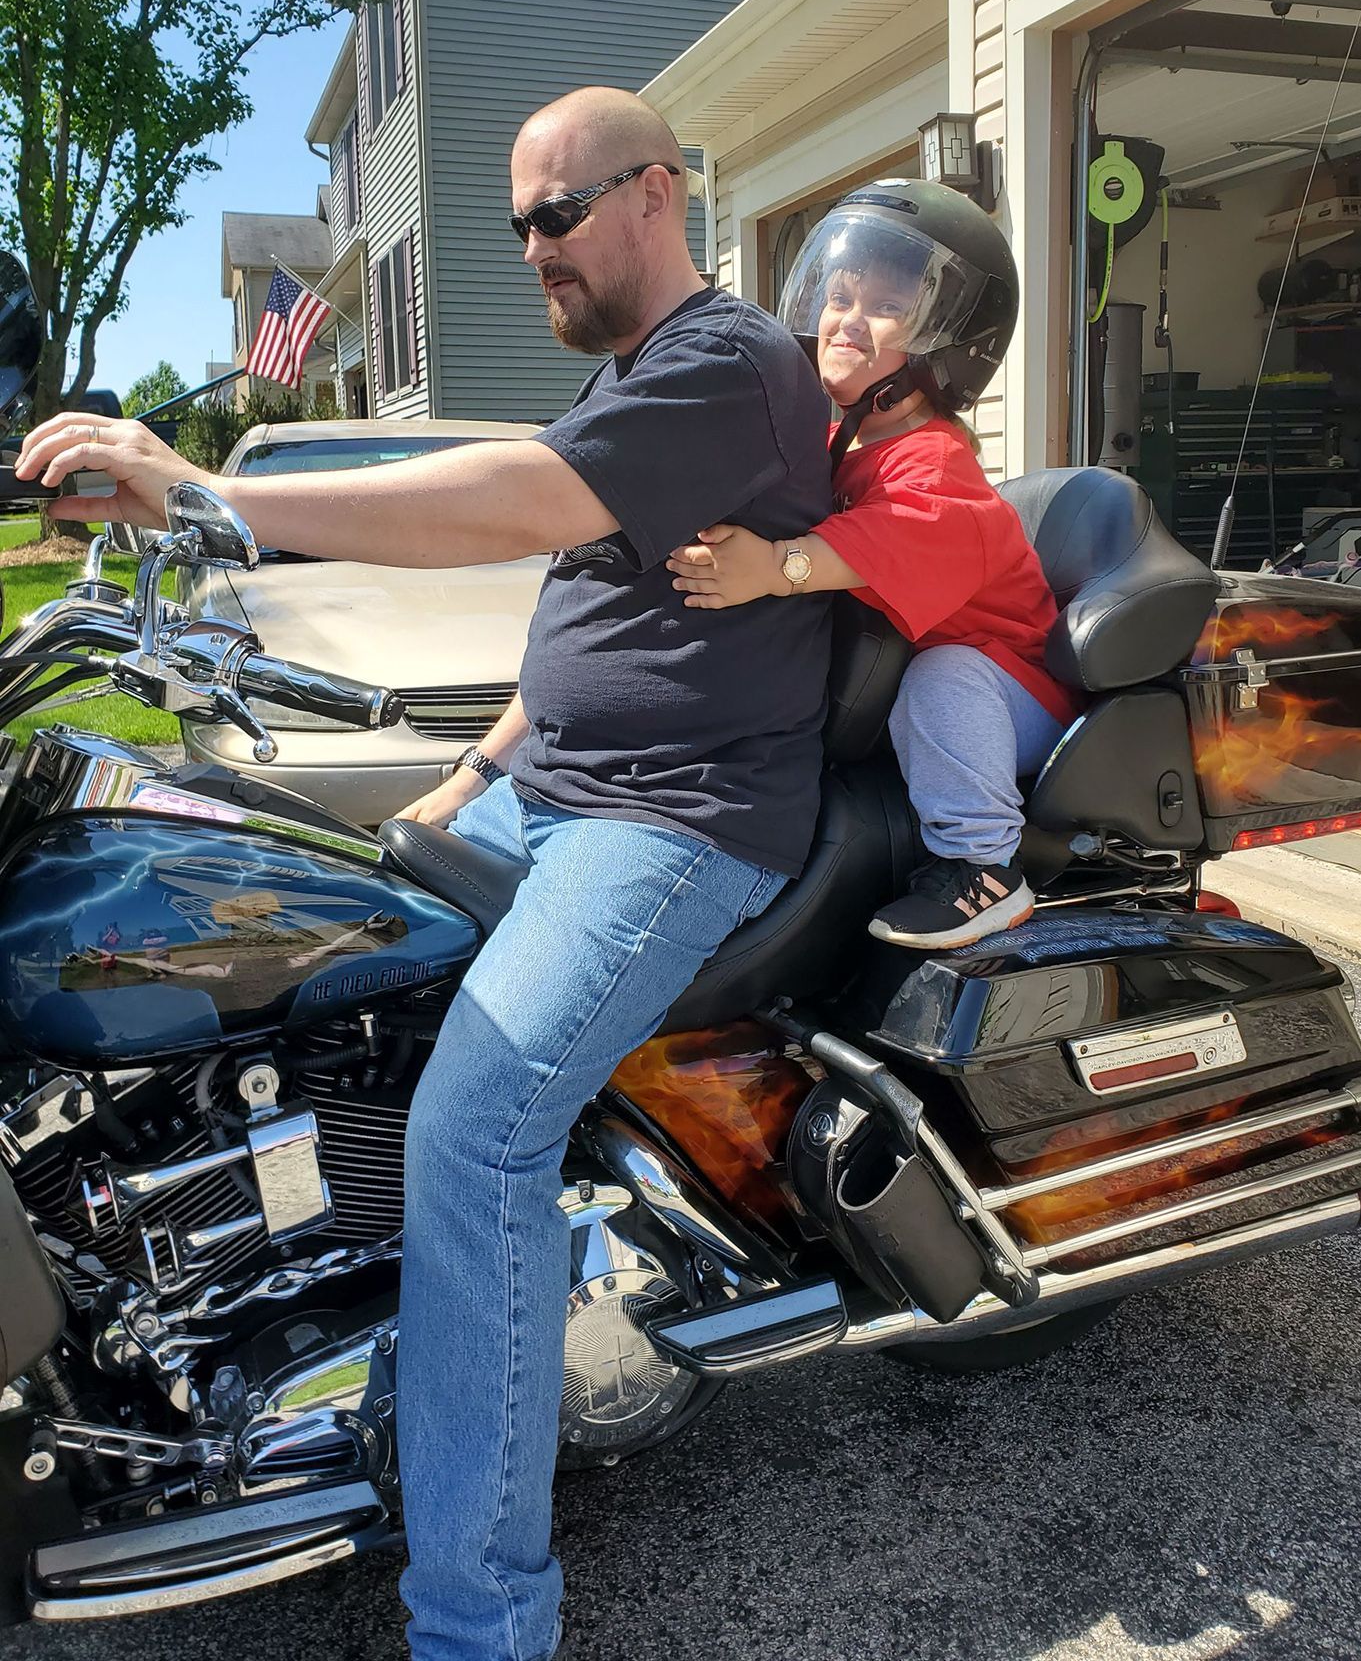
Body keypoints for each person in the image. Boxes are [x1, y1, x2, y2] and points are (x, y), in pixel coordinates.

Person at [16, 87, 833, 1661]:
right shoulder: (636, 383)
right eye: (515, 221)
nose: (531, 247)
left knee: (474, 1127)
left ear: (658, 194)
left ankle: (481, 1623)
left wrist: (216, 493)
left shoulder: (729, 362)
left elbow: (513, 503)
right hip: (555, 792)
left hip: (679, 825)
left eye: (556, 213)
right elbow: (590, 627)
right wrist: (468, 776)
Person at [665, 178, 1077, 950]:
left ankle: (983, 868)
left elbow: (884, 538)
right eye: (840, 295)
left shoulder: (936, 465)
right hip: (920, 697)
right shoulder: (843, 443)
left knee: (943, 675)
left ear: (948, 345)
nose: (847, 320)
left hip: (1010, 689)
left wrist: (772, 567)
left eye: (884, 307)